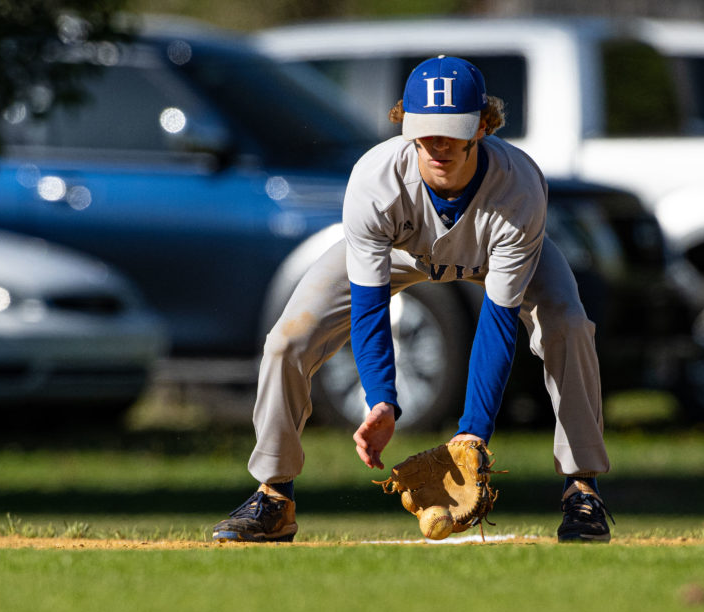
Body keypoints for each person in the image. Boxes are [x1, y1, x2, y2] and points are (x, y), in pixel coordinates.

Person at [212, 55, 613, 544]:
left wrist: (473, 432)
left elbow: (498, 319)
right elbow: (369, 303)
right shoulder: (376, 180)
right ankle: (275, 496)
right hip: (403, 252)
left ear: (483, 126)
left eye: (454, 129)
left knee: (568, 325)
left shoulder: (518, 188)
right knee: (286, 340)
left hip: (498, 251)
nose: (439, 144)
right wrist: (381, 399)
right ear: (405, 124)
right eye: (426, 130)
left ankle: (581, 490)